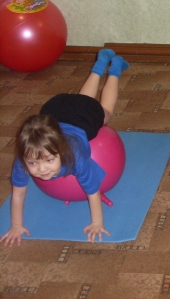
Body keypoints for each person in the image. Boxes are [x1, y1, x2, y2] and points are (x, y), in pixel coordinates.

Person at [1, 49, 130, 247]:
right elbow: (17, 194)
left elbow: (93, 191)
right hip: (57, 108)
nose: (41, 169)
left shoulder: (75, 156)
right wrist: (16, 225)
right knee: (81, 100)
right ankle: (100, 64)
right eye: (33, 163)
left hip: (82, 116)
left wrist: (97, 223)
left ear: (61, 151)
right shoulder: (22, 160)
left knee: (106, 111)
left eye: (49, 160)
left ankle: (115, 68)